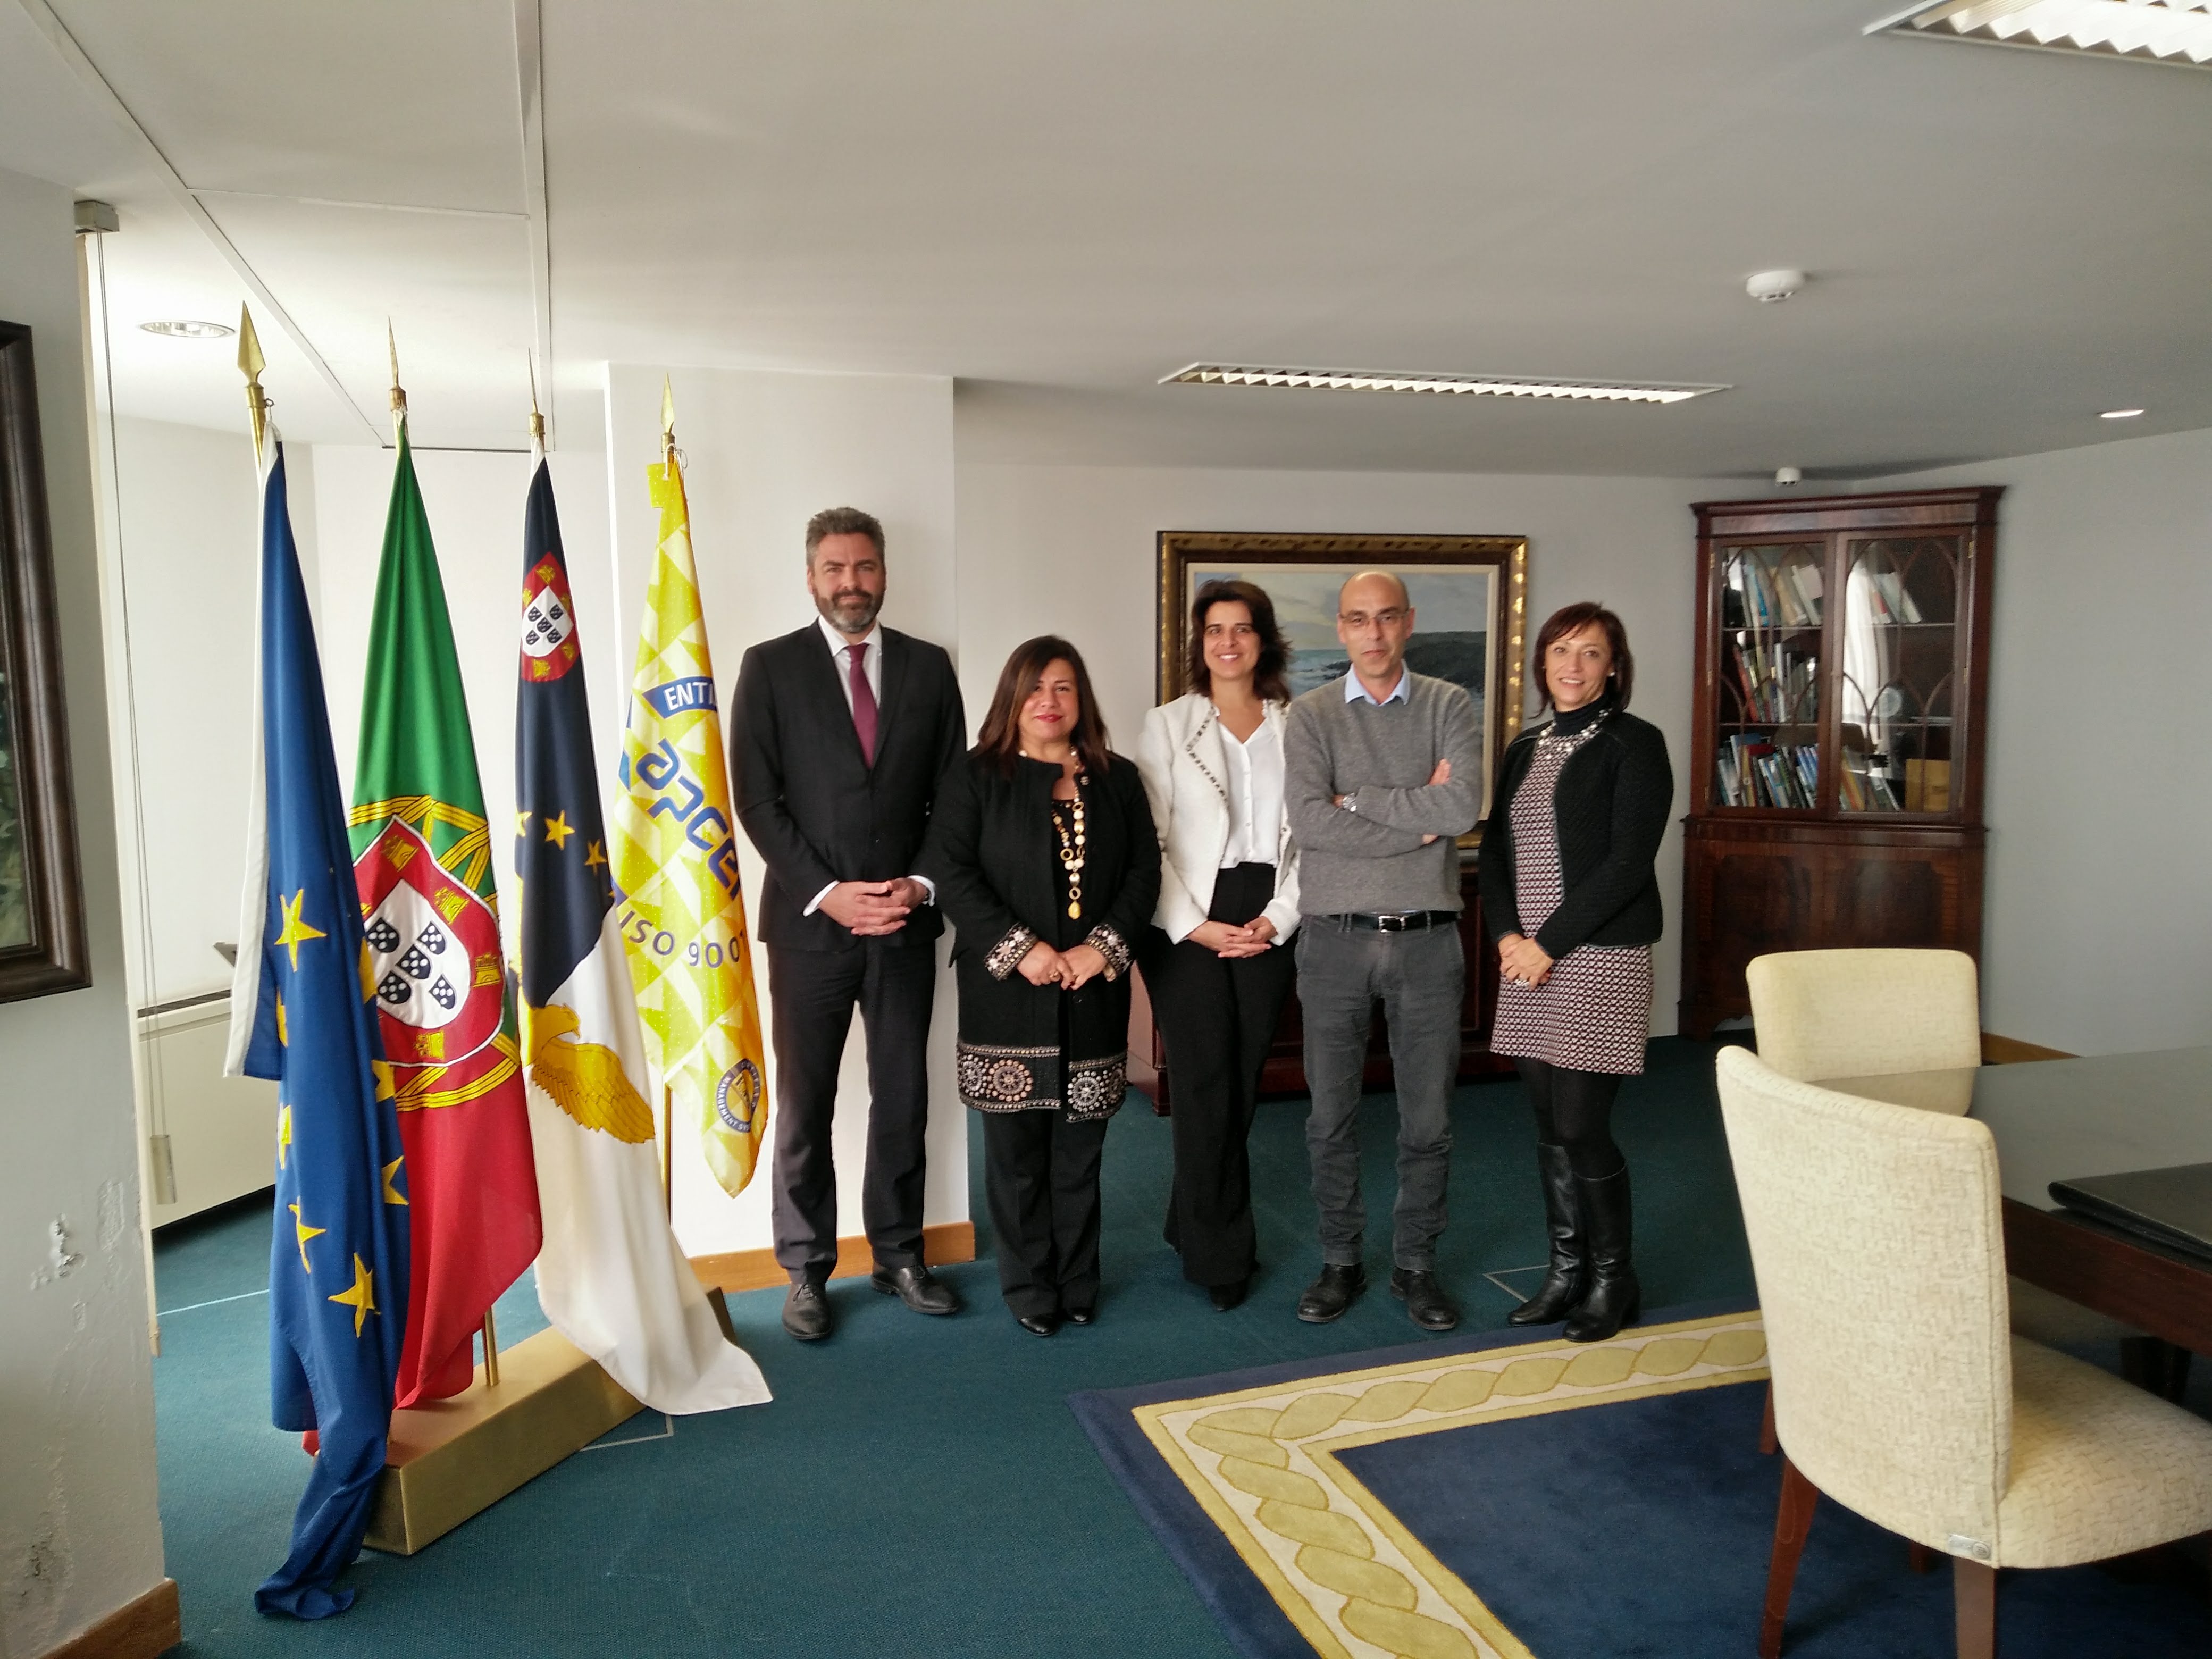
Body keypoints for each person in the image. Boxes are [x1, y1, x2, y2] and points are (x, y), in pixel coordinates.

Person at [730, 507, 967, 1342]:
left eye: (864, 567)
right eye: (835, 568)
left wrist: (920, 885)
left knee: (903, 1097)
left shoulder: (930, 668)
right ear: (811, 577)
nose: (851, 583)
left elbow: (955, 795)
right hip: (810, 932)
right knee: (806, 1106)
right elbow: (757, 800)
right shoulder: (769, 667)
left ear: (884, 573)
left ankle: (901, 1255)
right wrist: (828, 892)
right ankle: (805, 1269)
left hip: (904, 925)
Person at [920, 638, 1160, 1336]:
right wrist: (1021, 949)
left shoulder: (1118, 778)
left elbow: (1144, 871)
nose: (1048, 702)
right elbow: (952, 871)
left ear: (1081, 699)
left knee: (1081, 1150)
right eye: (1034, 688)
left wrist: (1101, 949)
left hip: (1093, 991)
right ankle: (1029, 1286)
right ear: (1012, 697)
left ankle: (1078, 1279)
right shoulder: (974, 777)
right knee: (1016, 1155)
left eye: (1063, 688)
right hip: (1006, 995)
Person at [1284, 571, 1481, 1331]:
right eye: (1359, 620)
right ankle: (1340, 1260)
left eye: (1387, 618)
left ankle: (1416, 1266)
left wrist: (1361, 800)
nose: (1374, 633)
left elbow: (1461, 806)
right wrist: (1418, 821)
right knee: (1329, 1118)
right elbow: (1310, 821)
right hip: (1334, 940)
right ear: (1341, 628)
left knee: (1427, 1121)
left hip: (1429, 943)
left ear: (1409, 623)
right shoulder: (1311, 716)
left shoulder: (1448, 705)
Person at [1481, 602, 1673, 1344]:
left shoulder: (1636, 743)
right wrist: (1508, 936)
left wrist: (1547, 945)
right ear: (1542, 662)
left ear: (1613, 666)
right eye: (1560, 650)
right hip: (1527, 960)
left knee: (1581, 1125)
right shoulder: (1524, 747)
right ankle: (1566, 1272)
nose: (1573, 665)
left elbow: (1628, 863)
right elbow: (1495, 853)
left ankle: (1614, 1279)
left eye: (1590, 652)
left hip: (1598, 957)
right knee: (1547, 1125)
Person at [1135, 581, 1302, 1312]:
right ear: (1199, 643)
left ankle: (1190, 1217)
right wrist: (1192, 923)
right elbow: (1147, 841)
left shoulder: (1299, 725)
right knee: (1204, 1083)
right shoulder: (1169, 725)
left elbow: (1315, 839)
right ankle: (1220, 1255)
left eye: (1241, 629)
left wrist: (1279, 918)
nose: (1227, 643)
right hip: (1187, 919)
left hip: (1268, 913)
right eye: (1214, 630)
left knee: (1240, 1081)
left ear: (1264, 640)